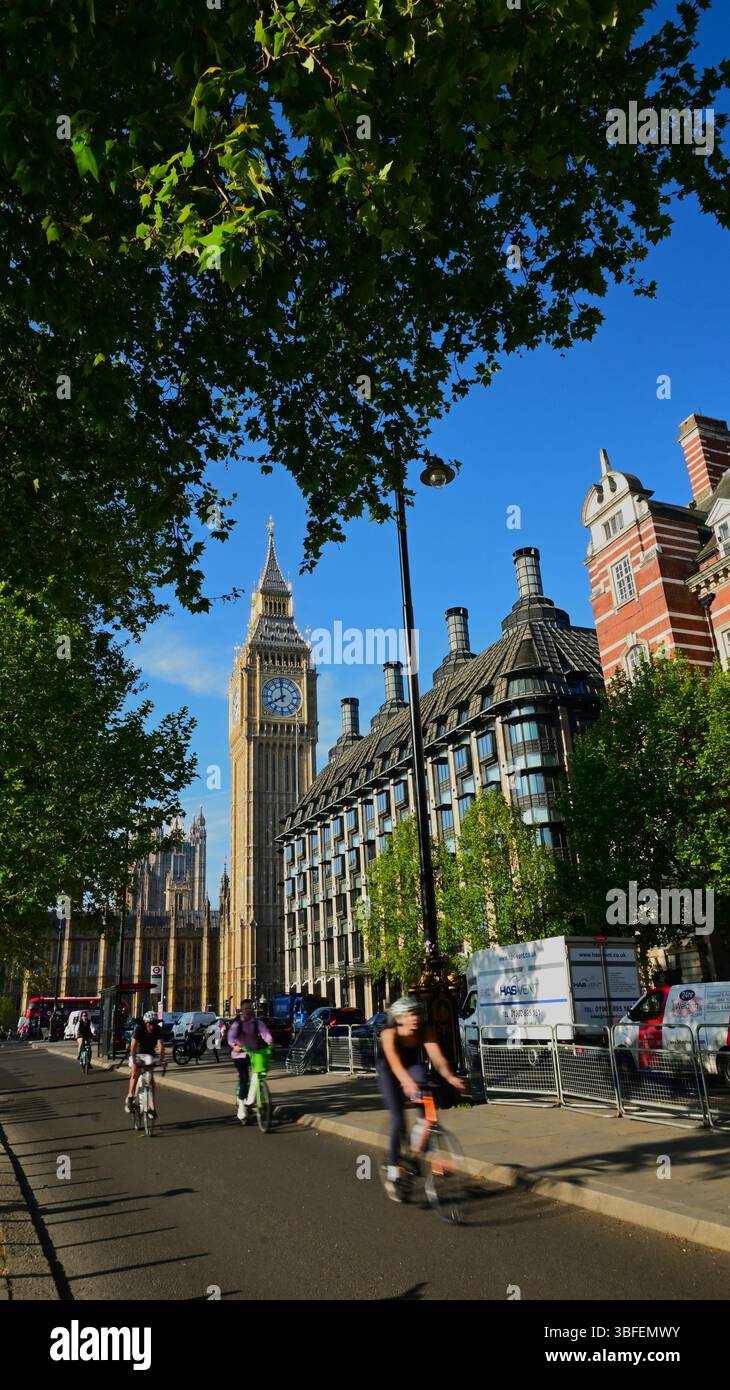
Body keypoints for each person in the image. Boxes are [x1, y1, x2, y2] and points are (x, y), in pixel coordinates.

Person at [377, 994, 465, 1202]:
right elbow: (395, 1063)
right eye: (409, 1014)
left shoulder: (425, 1030)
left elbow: (437, 1057)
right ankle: (392, 1167)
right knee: (398, 1119)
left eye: (416, 1013)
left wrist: (450, 1076)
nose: (414, 1018)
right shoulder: (388, 1034)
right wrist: (406, 1082)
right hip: (389, 1071)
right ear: (398, 1018)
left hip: (412, 1066)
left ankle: (418, 1146)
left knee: (426, 1102)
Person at [227, 1000, 273, 1124]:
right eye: (246, 1008)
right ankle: (242, 1107)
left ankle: (259, 1098)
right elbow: (230, 1037)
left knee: (260, 1074)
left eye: (251, 1008)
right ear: (242, 1010)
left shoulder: (257, 1022)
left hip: (254, 1053)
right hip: (240, 1054)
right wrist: (234, 1045)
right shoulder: (238, 1024)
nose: (249, 1010)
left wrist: (270, 1042)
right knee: (244, 1078)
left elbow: (265, 1033)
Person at [125, 1010, 165, 1116]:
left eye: (155, 1023)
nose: (153, 1026)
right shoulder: (139, 1029)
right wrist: (133, 1063)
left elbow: (160, 1044)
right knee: (135, 1072)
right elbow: (133, 1046)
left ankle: (152, 1107)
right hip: (137, 1054)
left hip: (149, 1055)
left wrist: (162, 1059)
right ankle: (130, 1097)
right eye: (151, 1024)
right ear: (146, 1023)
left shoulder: (158, 1030)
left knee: (150, 1077)